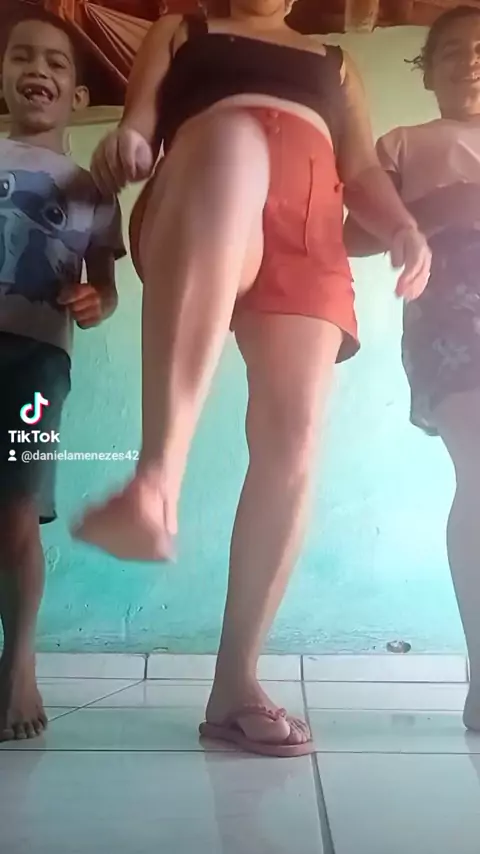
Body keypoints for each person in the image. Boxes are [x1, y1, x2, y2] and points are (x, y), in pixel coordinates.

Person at [73, 0, 431, 757]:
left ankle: (235, 684)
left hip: (309, 234)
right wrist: (130, 142)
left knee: (294, 442)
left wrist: (402, 225)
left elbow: (361, 167)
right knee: (237, 141)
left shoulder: (336, 63)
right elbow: (140, 121)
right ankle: (156, 483)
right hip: (201, 198)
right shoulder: (183, 30)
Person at [344, 5, 480, 732]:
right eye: (452, 52)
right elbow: (353, 234)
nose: (470, 61)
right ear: (425, 72)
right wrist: (419, 217)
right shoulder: (401, 144)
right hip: (450, 316)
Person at [0, 12, 125, 741]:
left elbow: (105, 288)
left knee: (16, 509)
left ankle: (18, 665)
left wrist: (95, 299)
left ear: (78, 96)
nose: (36, 70)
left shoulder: (92, 189)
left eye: (55, 61)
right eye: (22, 57)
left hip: (37, 364)